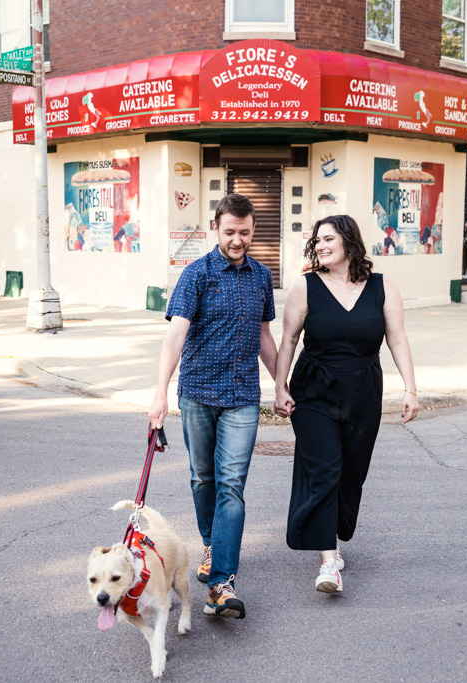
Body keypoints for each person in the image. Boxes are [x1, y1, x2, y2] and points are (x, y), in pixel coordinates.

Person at [273, 214, 419, 594]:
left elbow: (398, 339)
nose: (319, 245)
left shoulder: (383, 287)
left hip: (363, 391)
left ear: (348, 242)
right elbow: (287, 340)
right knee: (324, 471)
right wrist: (279, 387)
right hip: (314, 391)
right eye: (316, 240)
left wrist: (410, 388)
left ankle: (333, 536)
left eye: (327, 239)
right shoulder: (305, 287)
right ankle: (327, 562)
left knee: (351, 472)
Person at [149, 193, 277, 619]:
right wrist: (159, 393)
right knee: (203, 477)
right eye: (230, 232)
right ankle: (210, 544)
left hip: (243, 397)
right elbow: (175, 337)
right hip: (198, 393)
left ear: (252, 230)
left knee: (231, 485)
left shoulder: (262, 276)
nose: (237, 240)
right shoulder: (196, 274)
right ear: (215, 230)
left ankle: (222, 582)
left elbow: (264, 337)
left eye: (244, 232)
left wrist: (283, 385)